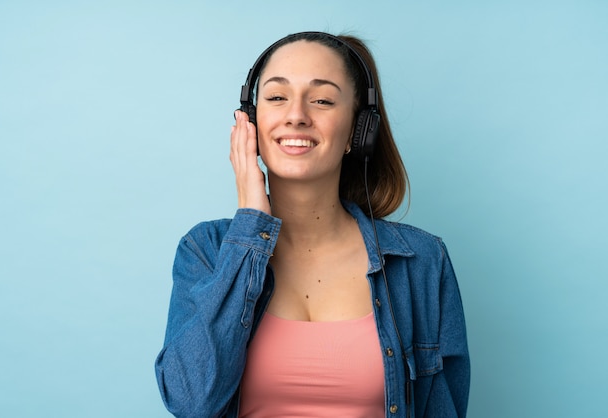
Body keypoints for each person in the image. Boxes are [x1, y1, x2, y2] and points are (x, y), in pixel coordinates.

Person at [155, 31, 470, 418]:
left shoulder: (421, 261)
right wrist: (251, 224)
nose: (296, 115)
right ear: (250, 122)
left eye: (321, 100)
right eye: (276, 97)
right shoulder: (206, 250)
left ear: (359, 131)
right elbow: (190, 402)